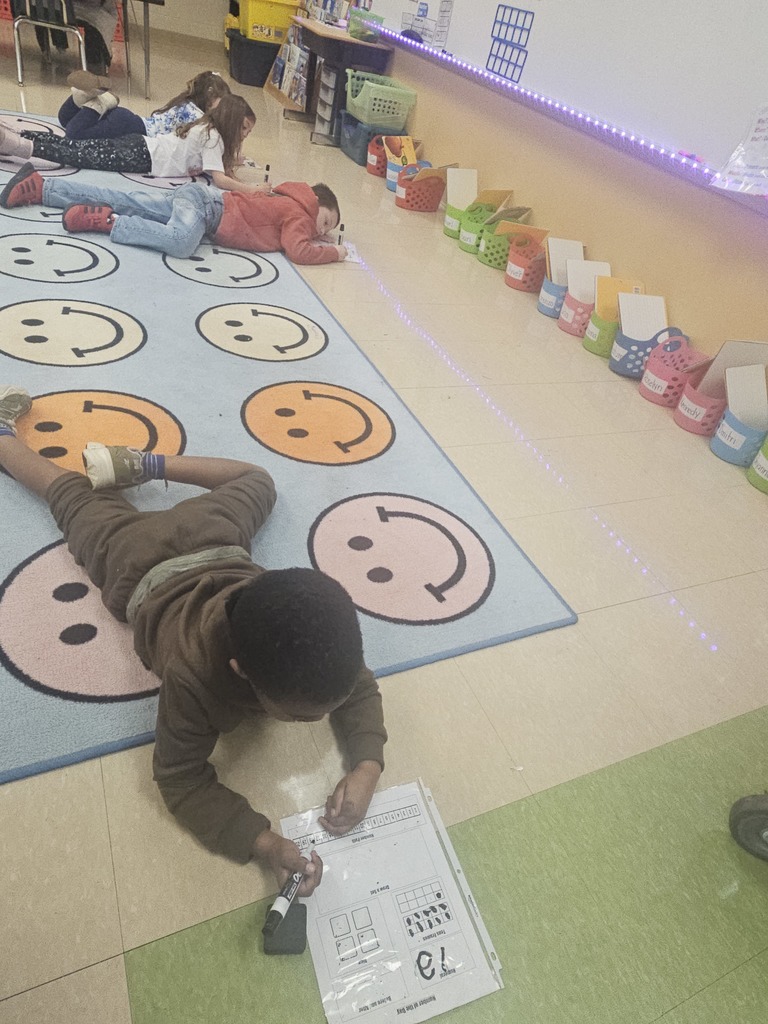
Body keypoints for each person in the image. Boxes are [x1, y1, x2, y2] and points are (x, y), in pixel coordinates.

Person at [0, 387, 387, 892]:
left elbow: (357, 686)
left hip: (216, 538)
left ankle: (144, 464)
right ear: (239, 670)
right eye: (299, 715)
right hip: (132, 556)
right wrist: (263, 842)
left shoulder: (315, 643)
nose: (311, 722)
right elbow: (180, 778)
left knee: (259, 479)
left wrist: (367, 765)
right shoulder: (192, 676)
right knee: (67, 493)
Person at [1, 164, 348, 265]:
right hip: (206, 211)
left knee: (126, 198)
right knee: (182, 243)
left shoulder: (285, 199)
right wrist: (335, 252)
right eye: (326, 222)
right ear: (316, 205)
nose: (321, 231)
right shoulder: (300, 213)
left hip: (199, 201)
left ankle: (42, 187)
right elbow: (299, 251)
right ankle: (109, 223)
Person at [0, 94, 261, 195]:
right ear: (230, 121)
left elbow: (210, 160)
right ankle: (18, 145)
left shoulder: (208, 129)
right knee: (77, 154)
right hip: (141, 155)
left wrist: (238, 160)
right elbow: (219, 179)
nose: (246, 135)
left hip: (140, 145)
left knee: (78, 149)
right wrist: (251, 189)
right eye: (244, 128)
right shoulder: (213, 137)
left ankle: (19, 133)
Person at [58, 69, 232, 142]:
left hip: (128, 120)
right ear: (209, 98)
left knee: (65, 119)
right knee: (75, 134)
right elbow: (207, 140)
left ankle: (82, 97)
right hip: (131, 130)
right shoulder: (197, 118)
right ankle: (102, 101)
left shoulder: (184, 102)